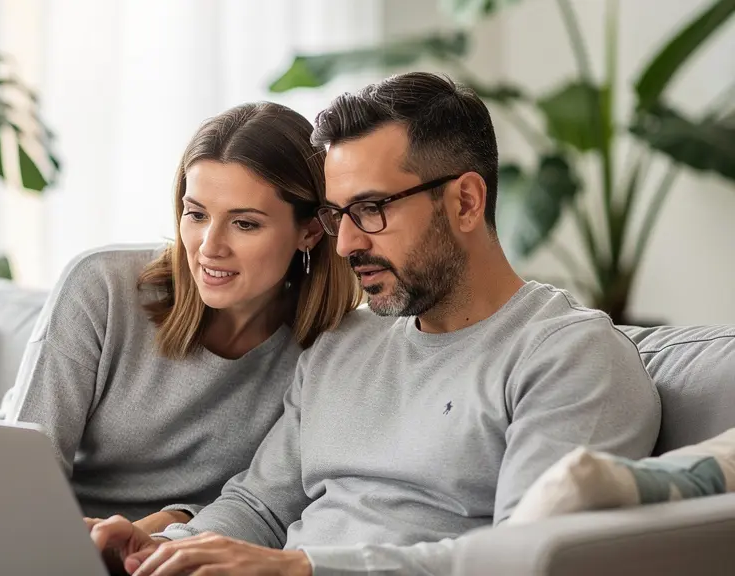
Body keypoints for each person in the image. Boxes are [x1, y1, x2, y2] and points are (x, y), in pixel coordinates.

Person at [88, 72, 662, 576]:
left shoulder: (570, 356)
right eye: (338, 215)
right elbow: (259, 506)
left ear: (465, 202)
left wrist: (301, 568)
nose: (345, 244)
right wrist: (164, 547)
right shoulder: (343, 345)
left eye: (370, 210)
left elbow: (525, 559)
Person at [0, 102, 362, 575]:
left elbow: (263, 502)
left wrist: (163, 528)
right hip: (17, 534)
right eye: (195, 214)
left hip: (164, 556)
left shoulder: (332, 350)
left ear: (311, 231)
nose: (210, 247)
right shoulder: (103, 285)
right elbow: (22, 471)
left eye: (244, 223)